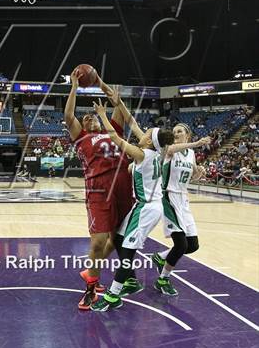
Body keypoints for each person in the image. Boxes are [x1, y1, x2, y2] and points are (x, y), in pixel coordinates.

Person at [91, 100, 174, 312]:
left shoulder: (142, 154)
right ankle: (127, 282)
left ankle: (113, 295)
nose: (142, 133)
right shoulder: (154, 151)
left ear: (148, 141)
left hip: (147, 209)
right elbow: (133, 123)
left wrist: (102, 114)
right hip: (144, 206)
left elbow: (115, 138)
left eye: (146, 133)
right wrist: (118, 103)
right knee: (118, 238)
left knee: (127, 252)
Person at [64, 71, 134, 310]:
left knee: (116, 240)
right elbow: (68, 115)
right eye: (86, 119)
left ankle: (91, 271)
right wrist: (74, 86)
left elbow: (118, 106)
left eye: (93, 117)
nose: (90, 120)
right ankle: (91, 290)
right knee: (97, 243)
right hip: (98, 191)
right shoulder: (80, 137)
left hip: (124, 189)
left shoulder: (112, 128)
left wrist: (103, 85)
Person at [152, 124, 211, 295]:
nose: (176, 133)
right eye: (174, 131)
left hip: (183, 199)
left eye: (180, 131)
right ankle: (163, 279)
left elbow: (193, 176)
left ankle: (161, 257)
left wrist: (199, 172)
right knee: (181, 244)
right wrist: (195, 143)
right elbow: (171, 149)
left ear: (187, 134)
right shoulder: (170, 149)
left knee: (192, 245)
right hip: (168, 197)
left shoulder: (190, 154)